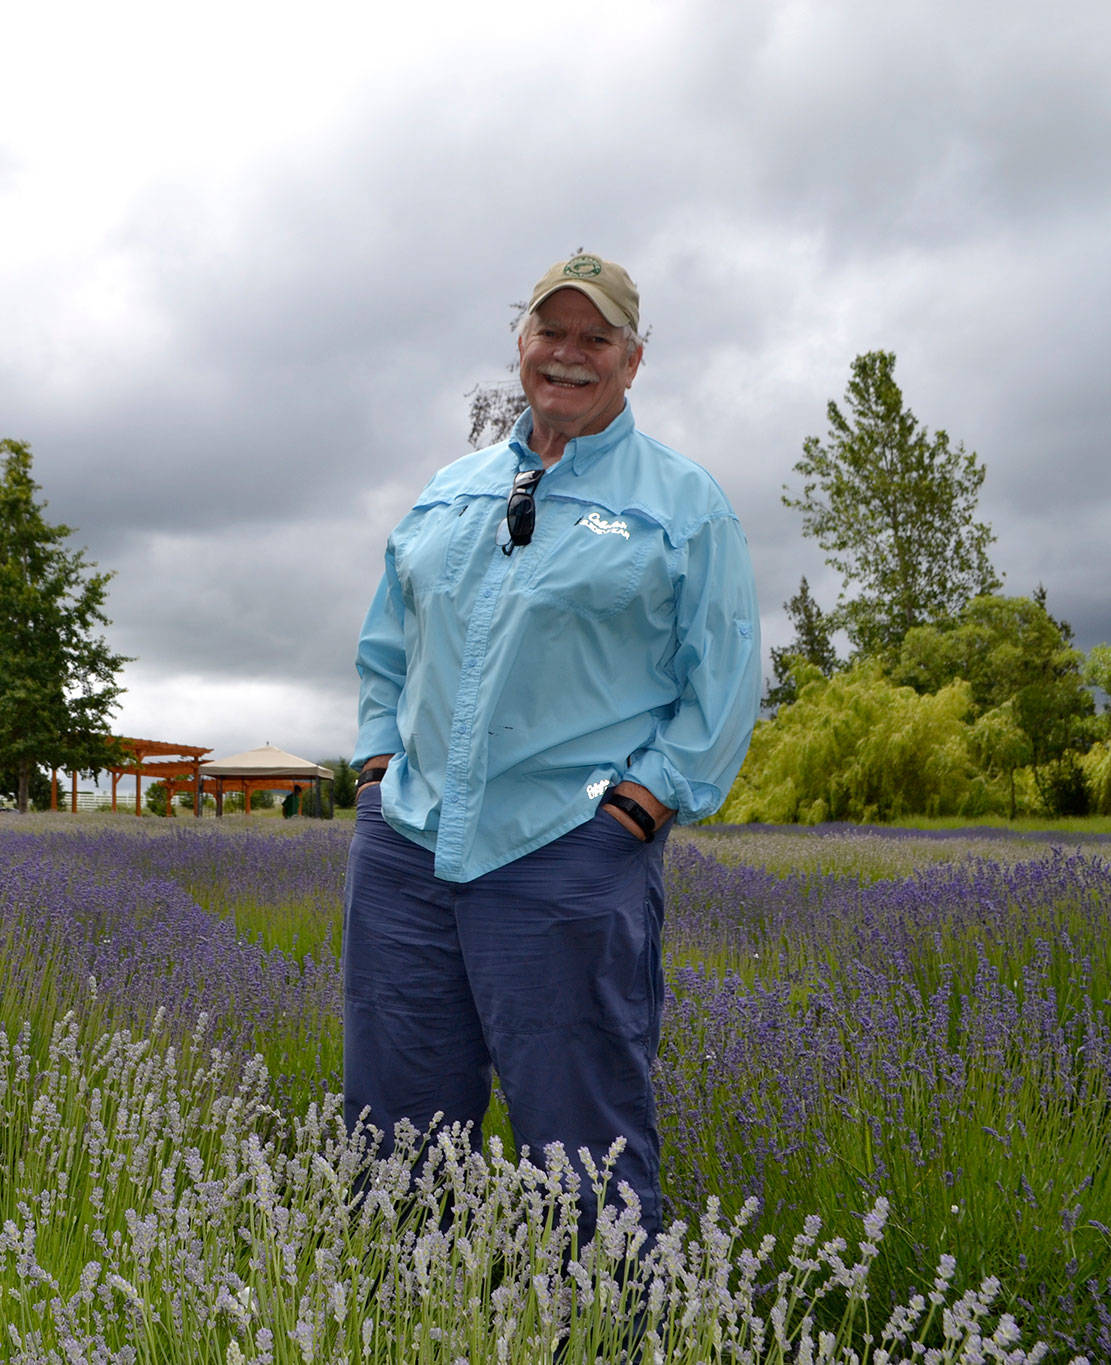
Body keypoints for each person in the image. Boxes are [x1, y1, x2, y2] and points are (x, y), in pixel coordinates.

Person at [346, 253, 761, 1246]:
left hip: (566, 852)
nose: (568, 356)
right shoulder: (449, 489)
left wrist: (640, 805)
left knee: (584, 1150)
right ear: (520, 344)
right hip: (407, 852)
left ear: (632, 358)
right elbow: (385, 644)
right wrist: (372, 767)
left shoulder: (681, 502)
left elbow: (726, 675)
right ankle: (398, 1323)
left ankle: (610, 1329)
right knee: (389, 1137)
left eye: (595, 338)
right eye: (550, 332)